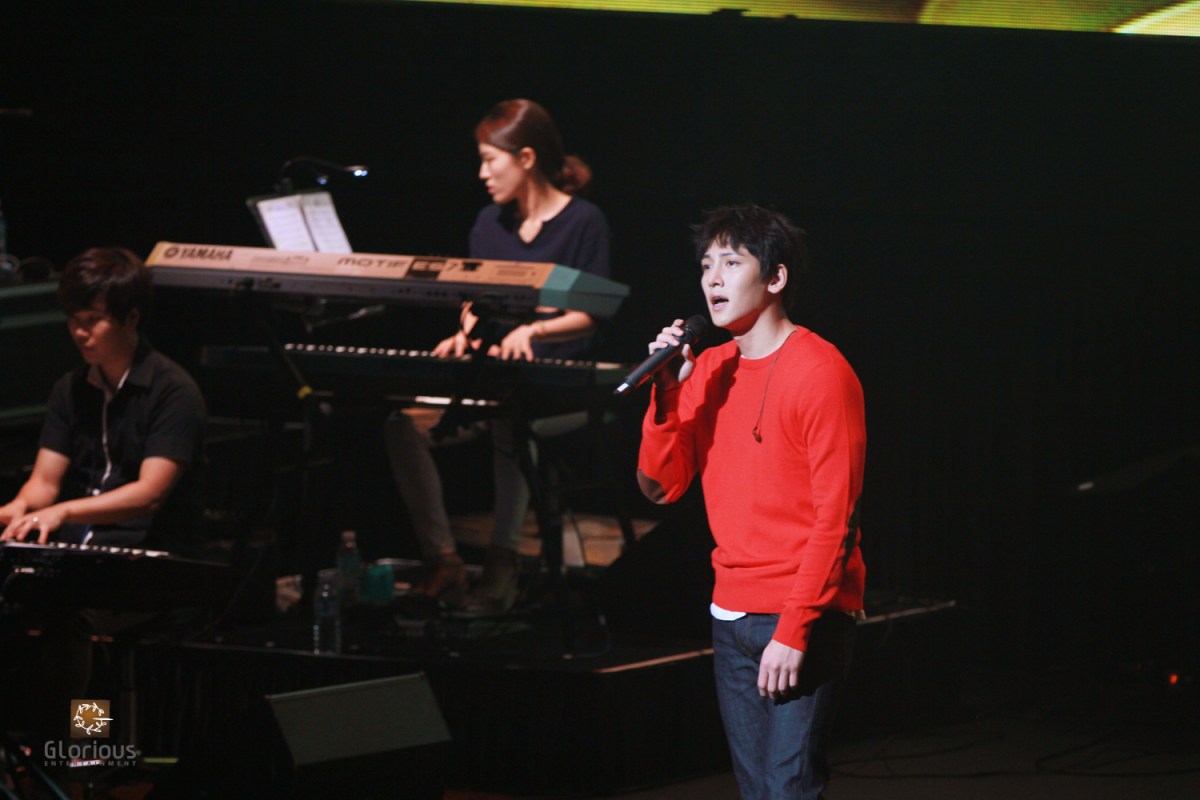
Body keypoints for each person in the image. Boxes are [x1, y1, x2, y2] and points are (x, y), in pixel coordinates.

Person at [635, 205, 866, 799]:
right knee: (757, 788)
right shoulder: (710, 369)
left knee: (788, 786)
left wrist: (795, 629)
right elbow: (660, 487)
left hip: (801, 611)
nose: (713, 278)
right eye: (706, 265)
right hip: (731, 613)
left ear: (775, 278)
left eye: (732, 263)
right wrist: (665, 394)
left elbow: (835, 519)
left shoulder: (821, 372)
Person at [385, 99, 610, 614]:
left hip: (561, 383)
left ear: (526, 158)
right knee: (402, 426)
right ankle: (443, 558)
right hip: (492, 376)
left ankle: (503, 559)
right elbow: (474, 298)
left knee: (511, 415)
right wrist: (466, 334)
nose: (482, 174)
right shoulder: (490, 223)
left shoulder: (584, 222)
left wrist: (534, 331)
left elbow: (591, 314)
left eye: (491, 160)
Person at [0, 246, 206, 746]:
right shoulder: (71, 389)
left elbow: (149, 495)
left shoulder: (173, 391)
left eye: (93, 320)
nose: (79, 332)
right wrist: (16, 510)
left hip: (152, 562)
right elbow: (43, 484)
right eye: (74, 320)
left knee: (76, 619)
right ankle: (22, 745)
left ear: (131, 317)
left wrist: (62, 511)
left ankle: (74, 750)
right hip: (82, 555)